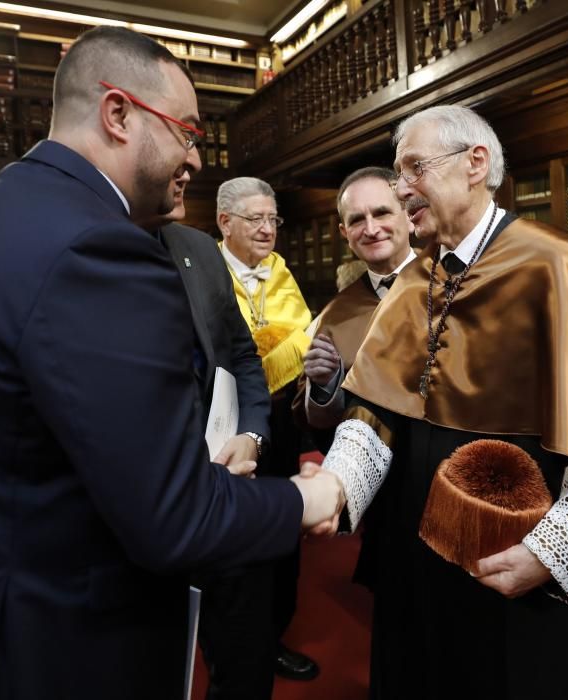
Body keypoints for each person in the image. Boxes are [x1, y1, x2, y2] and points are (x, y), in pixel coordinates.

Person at [0, 27, 343, 700]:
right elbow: (171, 519)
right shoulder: (97, 248)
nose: (194, 160)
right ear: (118, 114)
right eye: (186, 132)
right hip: (46, 645)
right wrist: (306, 498)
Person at [306, 105, 568, 699]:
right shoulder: (414, 280)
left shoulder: (554, 264)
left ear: (476, 163)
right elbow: (375, 416)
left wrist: (549, 555)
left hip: (519, 546)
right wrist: (336, 483)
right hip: (416, 552)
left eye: (414, 167)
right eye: (397, 174)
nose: (402, 188)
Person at [137, 179, 277, 699]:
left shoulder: (197, 248)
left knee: (243, 649)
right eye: (181, 135)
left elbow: (241, 355)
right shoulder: (79, 245)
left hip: (224, 486)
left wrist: (251, 433)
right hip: (140, 505)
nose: (191, 162)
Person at [216, 176, 320, 681]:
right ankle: (233, 643)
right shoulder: (205, 271)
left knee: (284, 531)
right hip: (223, 423)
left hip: (279, 420)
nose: (266, 230)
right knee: (233, 540)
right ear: (225, 223)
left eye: (272, 220)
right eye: (255, 219)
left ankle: (275, 633)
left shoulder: (281, 274)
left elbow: (300, 345)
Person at [293, 166, 416, 441]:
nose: (371, 229)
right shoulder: (333, 317)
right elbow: (315, 421)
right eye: (357, 220)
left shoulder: (452, 284)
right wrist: (326, 384)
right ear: (344, 232)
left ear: (409, 215)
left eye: (382, 213)